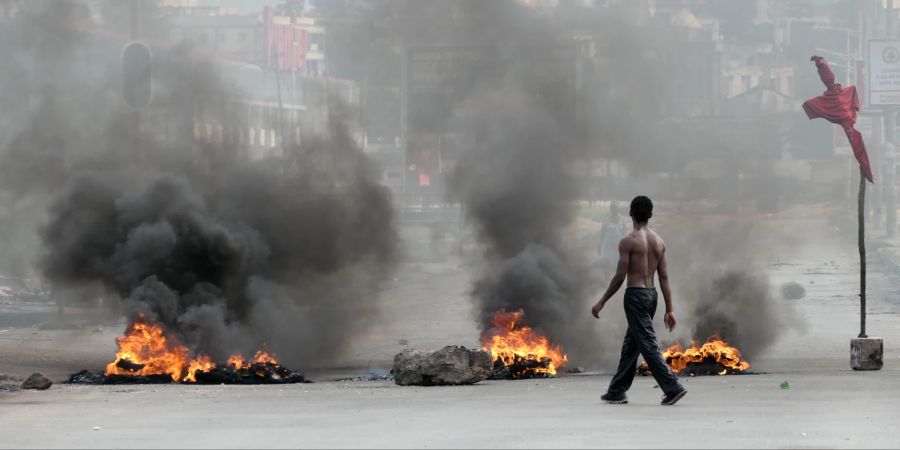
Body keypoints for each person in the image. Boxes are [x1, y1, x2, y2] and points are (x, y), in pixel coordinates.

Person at [591, 195, 687, 406]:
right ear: (650, 215)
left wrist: (602, 301)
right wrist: (669, 308)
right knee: (632, 344)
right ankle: (617, 390)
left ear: (631, 214)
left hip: (635, 296)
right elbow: (664, 277)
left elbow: (619, 276)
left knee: (646, 344)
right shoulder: (659, 242)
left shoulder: (628, 241)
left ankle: (672, 387)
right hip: (652, 295)